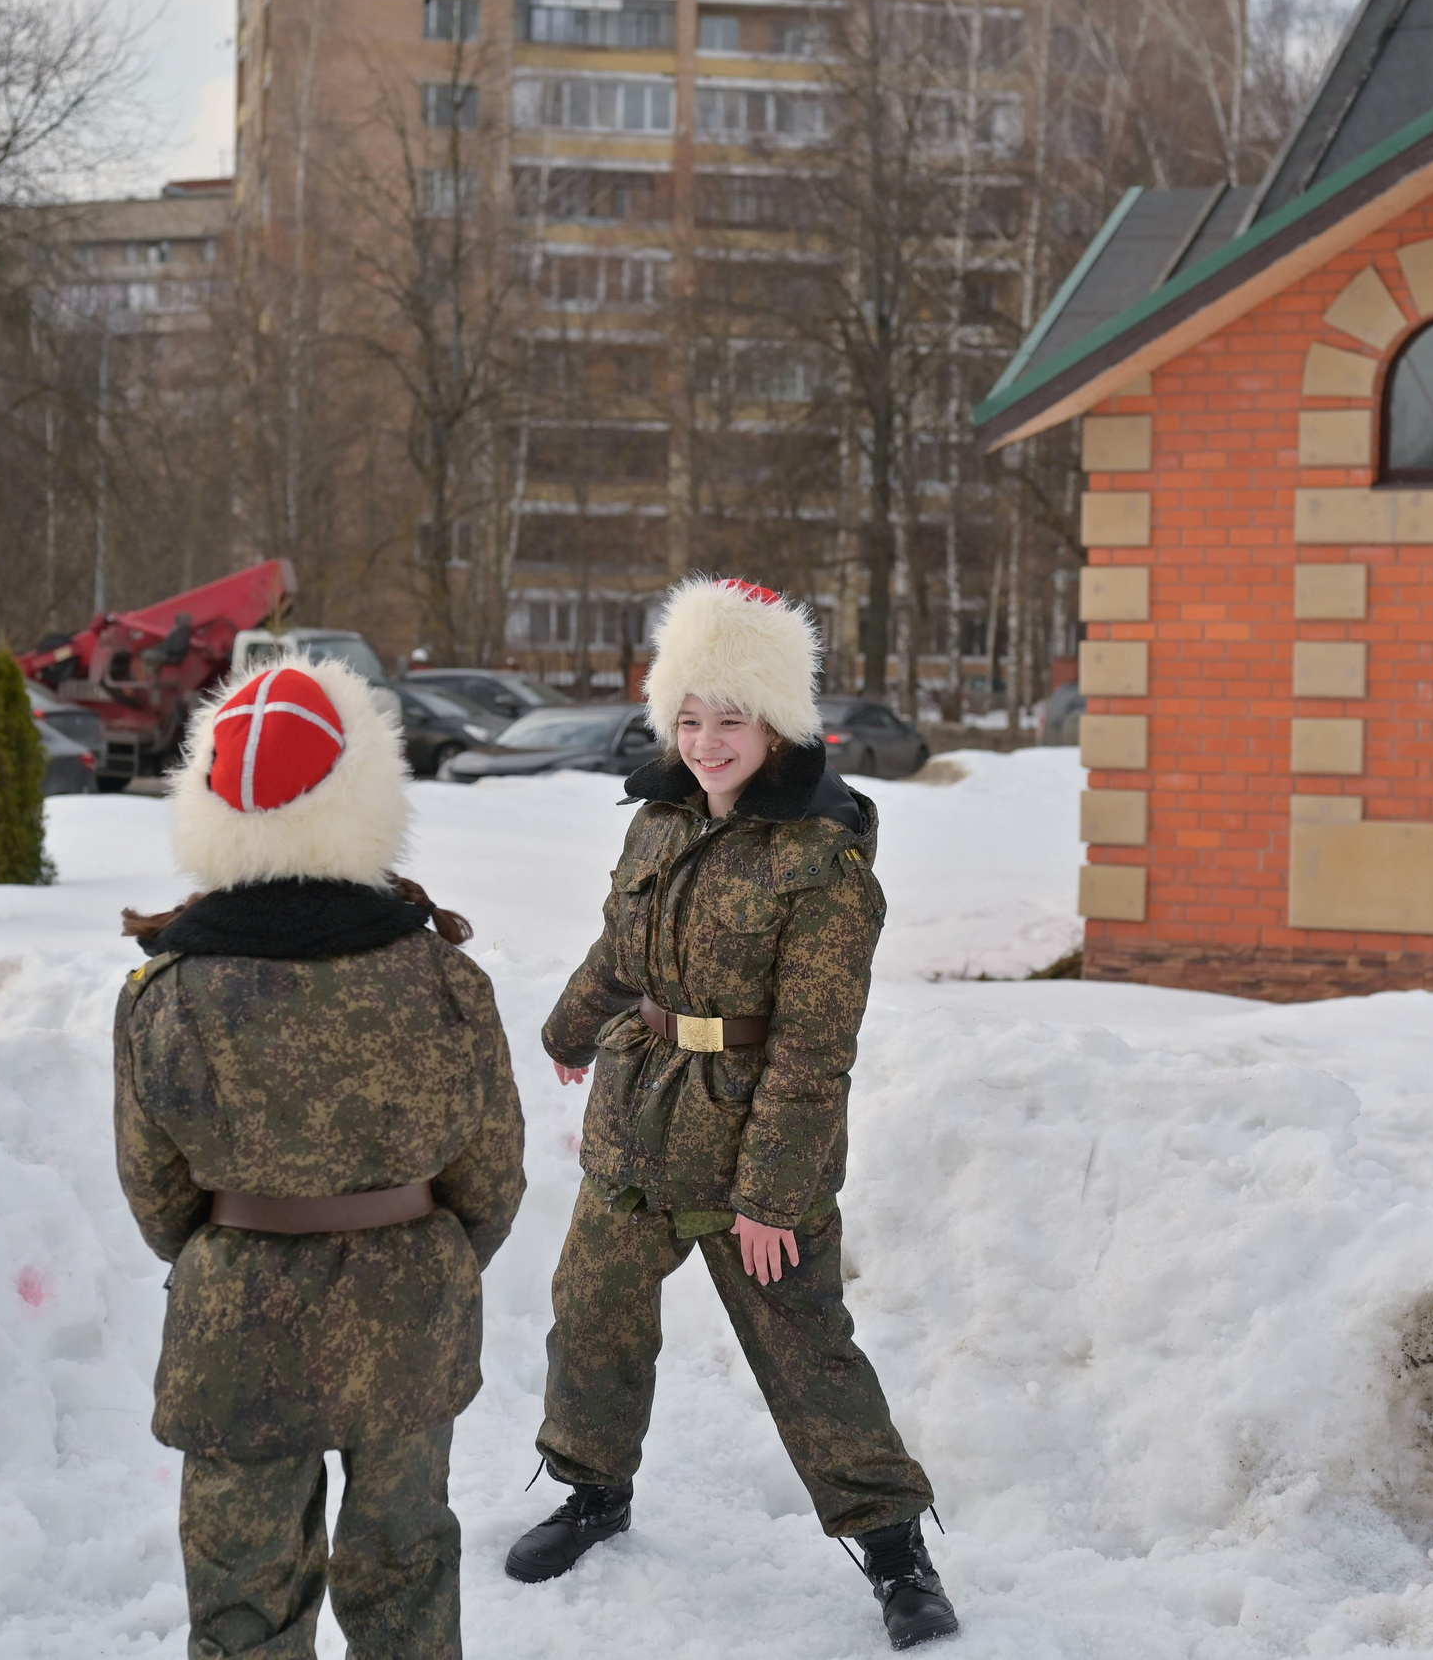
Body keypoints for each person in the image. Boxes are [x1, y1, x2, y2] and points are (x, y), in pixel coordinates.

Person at [505, 577, 958, 1651]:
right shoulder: (660, 819)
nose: (707, 742)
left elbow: (813, 1050)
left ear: (777, 722)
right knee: (593, 1308)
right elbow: (624, 946)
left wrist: (771, 1196)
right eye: (691, 718)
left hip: (756, 1130)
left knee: (806, 1347)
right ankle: (590, 1489)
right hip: (641, 1112)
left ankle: (895, 1549)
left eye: (731, 719)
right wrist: (573, 1029)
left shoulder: (822, 861)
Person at [114, 656, 526, 1660]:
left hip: (236, 1319)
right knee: (404, 1577)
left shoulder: (166, 993)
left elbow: (156, 1189)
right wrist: (423, 1250)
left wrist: (238, 1243)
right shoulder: (443, 976)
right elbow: (492, 1176)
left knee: (244, 1592)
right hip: (409, 1306)